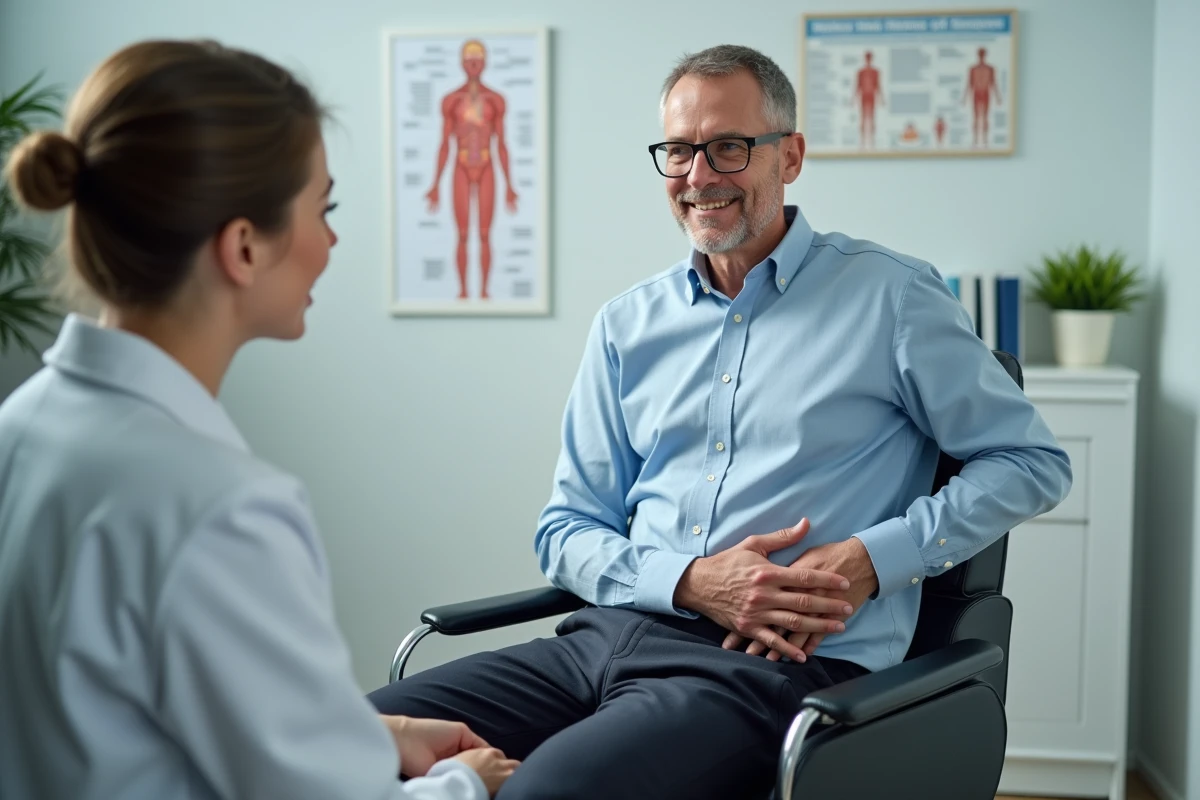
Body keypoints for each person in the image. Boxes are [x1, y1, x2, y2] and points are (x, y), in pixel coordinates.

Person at [368, 43, 1072, 800]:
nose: (699, 176)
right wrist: (694, 580)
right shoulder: (626, 326)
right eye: (678, 150)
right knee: (333, 743)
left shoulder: (892, 297)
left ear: (790, 155)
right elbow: (565, 530)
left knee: (549, 790)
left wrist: (872, 559)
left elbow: (1032, 463)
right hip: (599, 640)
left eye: (727, 148)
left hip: (764, 669)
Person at [0, 40, 517, 800]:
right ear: (243, 246)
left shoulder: (21, 429)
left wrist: (376, 733)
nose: (332, 242)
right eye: (324, 209)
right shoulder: (221, 508)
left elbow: (109, 714)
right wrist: (464, 784)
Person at [425, 39, 519, 300]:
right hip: (461, 168)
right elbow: (444, 144)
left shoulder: (496, 100)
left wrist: (510, 186)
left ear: (486, 61)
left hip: (487, 167)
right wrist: (434, 185)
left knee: (485, 234)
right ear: (462, 62)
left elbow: (502, 145)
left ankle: (485, 292)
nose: (474, 63)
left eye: (479, 57)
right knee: (463, 234)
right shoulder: (451, 101)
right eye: (469, 58)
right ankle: (464, 292)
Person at [963, 46, 1002, 147]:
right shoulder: (973, 69)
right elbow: (969, 84)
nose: (981, 56)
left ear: (984, 55)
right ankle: (975, 140)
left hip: (985, 92)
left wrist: (998, 97)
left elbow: (993, 83)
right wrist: (965, 97)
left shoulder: (990, 68)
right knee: (976, 117)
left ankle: (985, 140)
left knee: (985, 117)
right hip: (976, 93)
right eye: (980, 54)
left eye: (982, 54)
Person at [852, 50, 884, 148]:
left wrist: (881, 98)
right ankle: (862, 141)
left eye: (869, 58)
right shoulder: (861, 72)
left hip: (871, 96)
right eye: (867, 58)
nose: (868, 60)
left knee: (872, 118)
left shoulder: (875, 72)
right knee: (863, 118)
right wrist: (853, 98)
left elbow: (878, 85)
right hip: (864, 96)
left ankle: (872, 141)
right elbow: (857, 85)